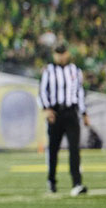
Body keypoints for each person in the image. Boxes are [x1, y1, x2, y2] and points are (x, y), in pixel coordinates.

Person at [39, 44, 90, 196]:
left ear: (67, 53)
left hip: (71, 113)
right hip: (55, 114)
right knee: (53, 149)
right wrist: (47, 109)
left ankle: (77, 183)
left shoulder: (75, 70)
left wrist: (84, 113)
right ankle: (51, 181)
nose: (61, 56)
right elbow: (42, 91)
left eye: (63, 53)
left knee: (74, 149)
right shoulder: (48, 70)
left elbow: (79, 93)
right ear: (54, 55)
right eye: (58, 53)